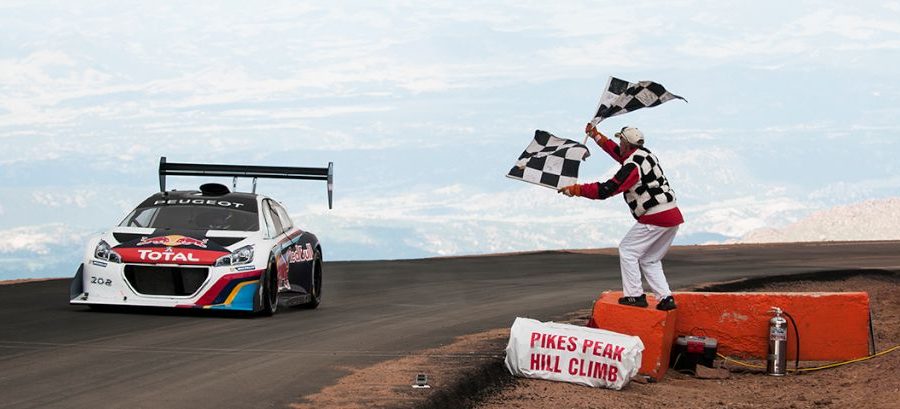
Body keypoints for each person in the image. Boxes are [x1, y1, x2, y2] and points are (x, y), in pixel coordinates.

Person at [558, 123, 684, 311]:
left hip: (655, 215)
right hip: (672, 215)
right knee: (650, 259)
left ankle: (634, 296)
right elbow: (619, 154)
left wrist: (577, 190)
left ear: (626, 143)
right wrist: (596, 136)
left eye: (621, 140)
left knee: (628, 250)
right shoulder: (645, 154)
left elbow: (607, 189)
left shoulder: (631, 167)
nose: (619, 143)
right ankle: (665, 298)